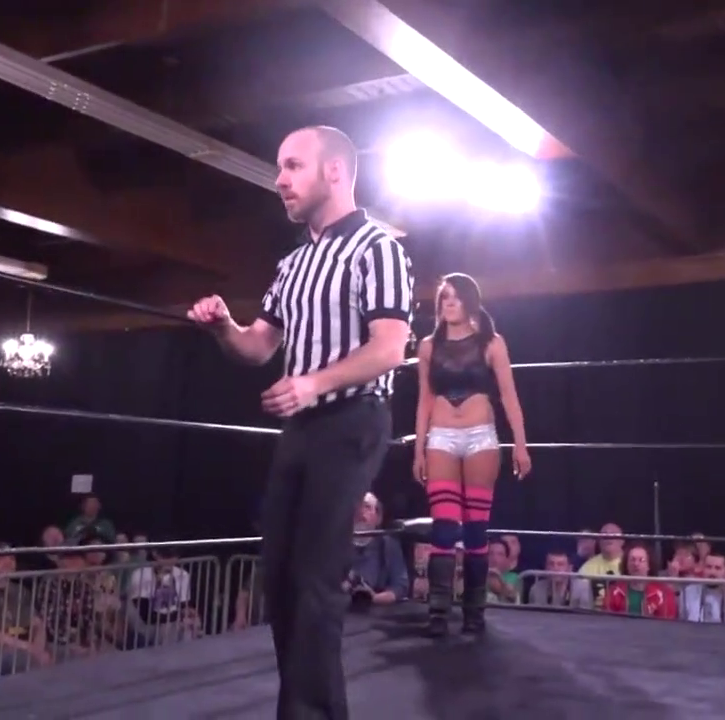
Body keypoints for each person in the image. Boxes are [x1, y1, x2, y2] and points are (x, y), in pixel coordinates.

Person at [187, 125, 412, 720]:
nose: (279, 180)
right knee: (282, 576)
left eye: (293, 166)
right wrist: (224, 328)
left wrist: (313, 382)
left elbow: (390, 347)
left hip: (354, 418)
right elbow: (259, 346)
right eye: (279, 167)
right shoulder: (293, 264)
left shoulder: (377, 248)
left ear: (334, 170)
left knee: (315, 576)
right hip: (302, 426)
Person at [411, 272, 530, 636]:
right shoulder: (428, 346)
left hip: (481, 437)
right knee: (444, 527)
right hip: (441, 436)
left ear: (470, 301)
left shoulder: (492, 343)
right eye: (444, 297)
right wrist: (418, 449)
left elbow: (509, 396)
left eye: (456, 296)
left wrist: (521, 445)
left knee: (477, 528)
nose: (449, 302)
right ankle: (438, 612)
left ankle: (474, 612)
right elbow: (424, 399)